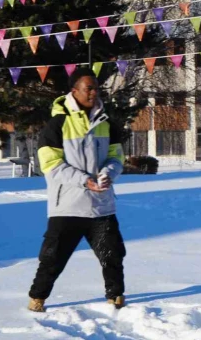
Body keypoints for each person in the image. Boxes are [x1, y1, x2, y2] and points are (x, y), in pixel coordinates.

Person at [27, 68, 127, 312]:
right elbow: (50, 165)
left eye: (96, 88)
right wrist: (85, 180)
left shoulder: (106, 122)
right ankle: (37, 298)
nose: (94, 92)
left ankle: (116, 297)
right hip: (68, 207)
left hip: (101, 204)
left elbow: (116, 157)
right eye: (88, 88)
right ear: (73, 91)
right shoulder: (57, 124)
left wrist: (107, 174)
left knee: (112, 254)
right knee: (52, 258)